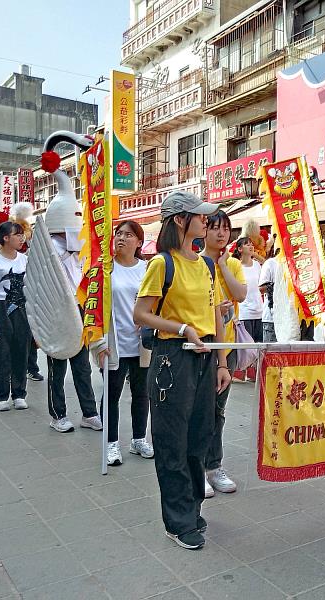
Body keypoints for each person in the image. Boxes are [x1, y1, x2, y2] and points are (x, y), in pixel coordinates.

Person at [133, 191, 231, 551]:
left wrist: (222, 362)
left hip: (206, 358)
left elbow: (216, 315)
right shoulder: (163, 264)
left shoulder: (206, 264)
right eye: (200, 216)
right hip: (174, 358)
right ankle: (178, 521)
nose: (207, 221)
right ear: (179, 221)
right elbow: (141, 314)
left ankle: (191, 508)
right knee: (173, 442)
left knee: (199, 438)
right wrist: (181, 328)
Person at [96, 220, 154, 466]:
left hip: (142, 344)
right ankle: (111, 443)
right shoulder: (104, 269)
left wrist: (150, 320)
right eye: (118, 234)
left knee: (142, 394)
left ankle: (139, 439)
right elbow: (93, 309)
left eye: (128, 235)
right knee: (112, 394)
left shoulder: (148, 268)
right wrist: (97, 343)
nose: (121, 238)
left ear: (139, 242)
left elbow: (158, 301)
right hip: (113, 343)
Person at [44, 196, 102, 433]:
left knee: (82, 367)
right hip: (56, 313)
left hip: (80, 310)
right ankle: (57, 414)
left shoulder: (81, 249)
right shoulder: (47, 250)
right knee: (57, 367)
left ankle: (89, 413)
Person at [201, 211, 246, 497]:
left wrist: (222, 265)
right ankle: (198, 469)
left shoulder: (231, 263)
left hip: (226, 349)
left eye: (226, 229)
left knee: (218, 410)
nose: (221, 234)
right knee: (200, 410)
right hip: (202, 347)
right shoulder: (194, 263)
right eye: (215, 228)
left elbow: (240, 294)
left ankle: (214, 467)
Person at [0, 221, 32, 411]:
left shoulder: (24, 259)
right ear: (5, 238)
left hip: (21, 307)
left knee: (21, 350)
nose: (21, 237)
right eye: (17, 234)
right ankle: (0, 396)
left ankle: (19, 394)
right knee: (0, 353)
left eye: (22, 234)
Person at [235, 236, 263, 343]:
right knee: (247, 349)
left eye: (251, 244)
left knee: (260, 347)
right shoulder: (237, 267)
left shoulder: (257, 265)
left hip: (259, 311)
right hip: (244, 312)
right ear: (240, 249)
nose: (251, 246)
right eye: (247, 244)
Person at [259, 254, 279, 343]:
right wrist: (278, 285)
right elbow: (261, 288)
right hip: (272, 319)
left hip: (290, 320)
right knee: (271, 354)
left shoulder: (294, 263)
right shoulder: (271, 263)